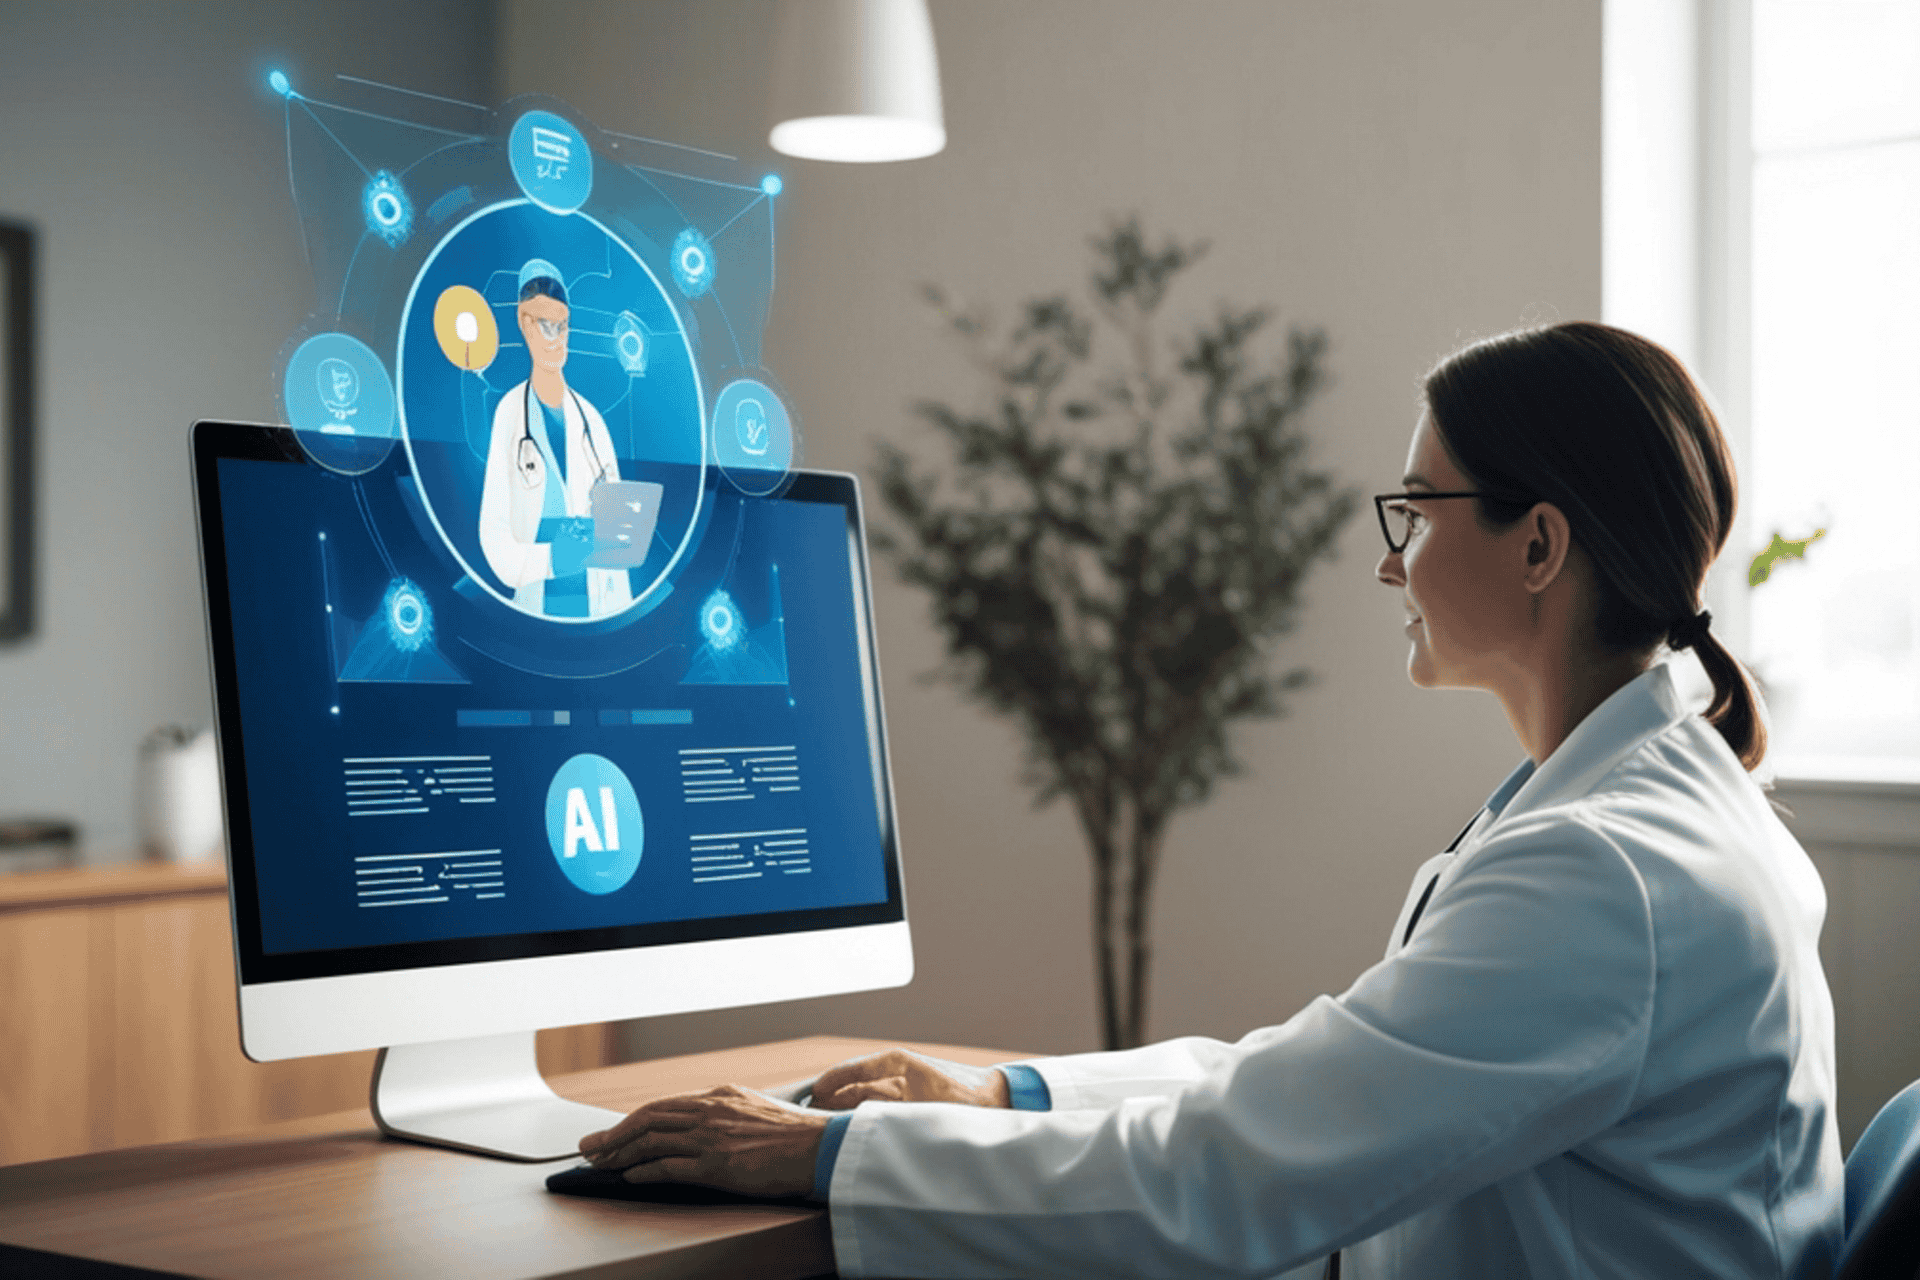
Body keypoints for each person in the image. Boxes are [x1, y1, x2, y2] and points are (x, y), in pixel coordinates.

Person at [577, 322, 1843, 1278]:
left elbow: (1228, 1172)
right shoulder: (1653, 809)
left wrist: (822, 1153)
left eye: (1417, 508)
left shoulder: (1602, 872)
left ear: (1538, 545)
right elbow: (1314, 1075)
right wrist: (997, 1094)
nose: (1388, 555)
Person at [478, 260, 632, 620]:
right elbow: (494, 540)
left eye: (562, 326)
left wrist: (622, 622)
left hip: (597, 616)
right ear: (522, 323)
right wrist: (551, 559)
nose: (555, 339)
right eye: (544, 326)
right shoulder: (510, 413)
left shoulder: (593, 422)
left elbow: (618, 549)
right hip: (537, 616)